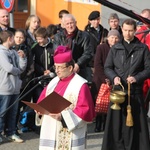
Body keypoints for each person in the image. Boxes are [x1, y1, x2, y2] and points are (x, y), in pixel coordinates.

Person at [102, 19, 150, 150]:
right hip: (118, 93)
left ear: (135, 31)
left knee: (136, 126)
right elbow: (107, 67)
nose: (127, 33)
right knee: (116, 126)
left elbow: (148, 69)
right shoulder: (115, 48)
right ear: (121, 30)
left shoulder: (143, 48)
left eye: (130, 31)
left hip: (135, 94)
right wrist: (114, 77)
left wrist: (137, 77)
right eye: (125, 30)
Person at [36, 45, 95, 150]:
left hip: (69, 130)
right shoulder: (53, 82)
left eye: (60, 67)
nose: (57, 70)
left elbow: (85, 109)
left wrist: (62, 116)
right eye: (55, 67)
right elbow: (42, 99)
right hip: (50, 128)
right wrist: (39, 109)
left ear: (70, 68)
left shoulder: (80, 85)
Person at [0, 30, 27, 143]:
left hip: (15, 88)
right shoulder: (1, 52)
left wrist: (22, 58)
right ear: (10, 38)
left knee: (13, 112)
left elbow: (22, 67)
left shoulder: (14, 51)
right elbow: (9, 68)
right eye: (13, 37)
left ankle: (11, 132)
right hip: (5, 87)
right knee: (2, 112)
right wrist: (18, 71)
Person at [91, 29, 120, 132]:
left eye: (116, 37)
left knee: (110, 103)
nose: (114, 40)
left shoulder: (119, 49)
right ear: (108, 38)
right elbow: (97, 65)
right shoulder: (101, 48)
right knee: (99, 103)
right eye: (112, 37)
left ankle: (107, 125)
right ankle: (98, 124)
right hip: (100, 79)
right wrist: (105, 78)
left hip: (113, 79)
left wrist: (113, 78)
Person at [53, 14, 93, 81]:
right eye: (67, 24)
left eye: (71, 23)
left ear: (75, 23)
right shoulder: (58, 36)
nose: (70, 26)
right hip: (64, 70)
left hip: (80, 70)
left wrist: (78, 64)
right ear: (64, 25)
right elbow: (57, 53)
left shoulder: (85, 36)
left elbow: (88, 53)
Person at [31, 27, 54, 103]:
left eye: (40, 39)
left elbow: (57, 61)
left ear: (46, 37)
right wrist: (42, 71)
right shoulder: (35, 47)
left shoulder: (53, 46)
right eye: (37, 39)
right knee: (38, 100)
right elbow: (33, 62)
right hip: (39, 78)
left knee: (50, 101)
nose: (38, 41)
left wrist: (50, 70)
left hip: (52, 77)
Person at [84, 10, 108, 82]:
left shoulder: (104, 31)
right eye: (94, 20)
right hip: (90, 63)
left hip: (103, 61)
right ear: (90, 21)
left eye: (98, 19)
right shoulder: (86, 33)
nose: (96, 22)